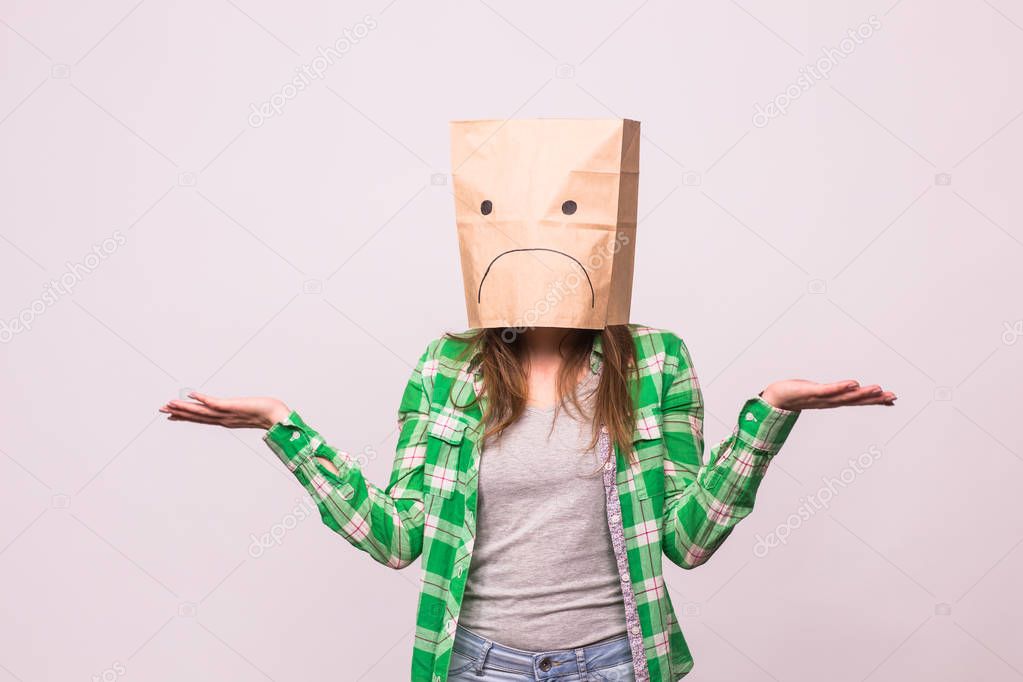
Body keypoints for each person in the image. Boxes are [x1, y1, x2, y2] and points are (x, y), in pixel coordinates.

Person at [160, 324, 894, 681]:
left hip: (619, 664)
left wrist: (767, 415)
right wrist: (282, 429)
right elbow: (396, 538)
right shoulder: (447, 365)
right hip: (478, 666)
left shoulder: (655, 359)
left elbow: (688, 542)